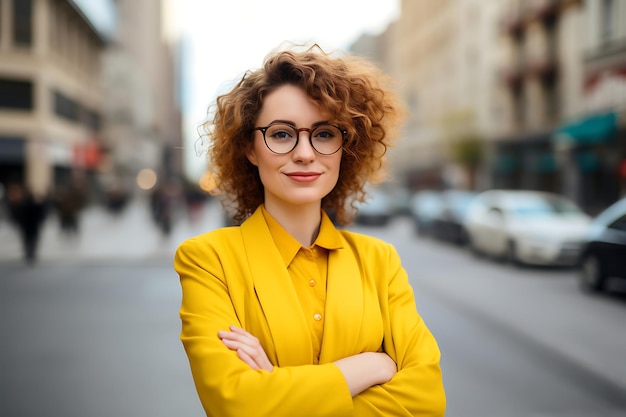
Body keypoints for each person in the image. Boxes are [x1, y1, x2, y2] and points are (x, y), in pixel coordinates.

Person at [174, 44, 446, 417]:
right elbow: (237, 404)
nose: (305, 152)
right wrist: (365, 368)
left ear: (344, 146)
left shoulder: (380, 262)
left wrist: (277, 388)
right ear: (250, 148)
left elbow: (426, 401)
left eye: (324, 134)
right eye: (282, 134)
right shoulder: (208, 260)